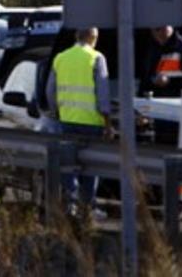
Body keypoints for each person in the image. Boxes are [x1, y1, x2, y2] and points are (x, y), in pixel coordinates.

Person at [45, 27, 112, 220]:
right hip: (92, 122)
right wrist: (108, 122)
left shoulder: (61, 58)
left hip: (66, 120)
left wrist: (57, 111)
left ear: (77, 36)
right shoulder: (97, 58)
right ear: (92, 37)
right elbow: (103, 95)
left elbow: (50, 91)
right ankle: (88, 207)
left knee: (68, 164)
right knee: (91, 166)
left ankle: (71, 202)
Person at [140, 25, 182, 220]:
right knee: (164, 155)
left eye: (159, 31)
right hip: (161, 113)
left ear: (169, 28)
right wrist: (151, 85)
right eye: (153, 31)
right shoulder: (153, 47)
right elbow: (146, 78)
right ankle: (167, 202)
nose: (156, 35)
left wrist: (170, 83)